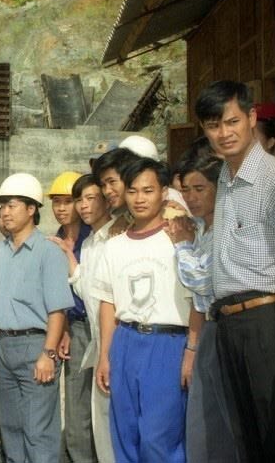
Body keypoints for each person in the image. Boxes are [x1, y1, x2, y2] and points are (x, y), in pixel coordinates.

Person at [195, 80, 275, 462]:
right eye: (214, 125)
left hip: (267, 323)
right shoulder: (225, 179)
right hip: (228, 325)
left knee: (273, 436)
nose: (224, 133)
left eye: (232, 122)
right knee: (245, 441)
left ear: (251, 118)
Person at [93, 158, 202, 463]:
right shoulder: (114, 246)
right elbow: (108, 303)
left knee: (159, 438)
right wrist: (105, 355)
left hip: (168, 343)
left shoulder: (180, 238)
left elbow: (198, 299)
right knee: (125, 435)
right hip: (125, 341)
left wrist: (191, 349)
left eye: (148, 190)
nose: (139, 199)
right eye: (132, 191)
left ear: (164, 192)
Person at [0, 173, 73, 463]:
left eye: (12, 206)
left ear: (31, 208)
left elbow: (57, 309)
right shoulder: (0, 251)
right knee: (11, 429)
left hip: (36, 345)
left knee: (39, 430)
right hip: (5, 345)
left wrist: (48, 353)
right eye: (3, 207)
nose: (5, 212)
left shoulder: (48, 251)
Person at [165, 155, 243, 463]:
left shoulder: (225, 229)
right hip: (207, 330)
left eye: (200, 189)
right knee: (204, 419)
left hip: (229, 329)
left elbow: (199, 281)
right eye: (186, 190)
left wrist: (182, 245)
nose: (191, 197)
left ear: (218, 187)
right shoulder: (198, 227)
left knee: (225, 418)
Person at [45, 171, 96, 463]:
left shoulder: (93, 238)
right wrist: (63, 328)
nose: (61, 208)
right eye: (57, 202)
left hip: (97, 325)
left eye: (68, 201)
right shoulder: (56, 239)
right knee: (74, 406)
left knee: (90, 406)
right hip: (72, 327)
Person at [69, 174, 116, 463]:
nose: (83, 206)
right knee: (99, 421)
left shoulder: (117, 237)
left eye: (90, 198)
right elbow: (87, 290)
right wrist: (70, 260)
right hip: (96, 340)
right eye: (79, 200)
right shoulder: (88, 244)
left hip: (115, 339)